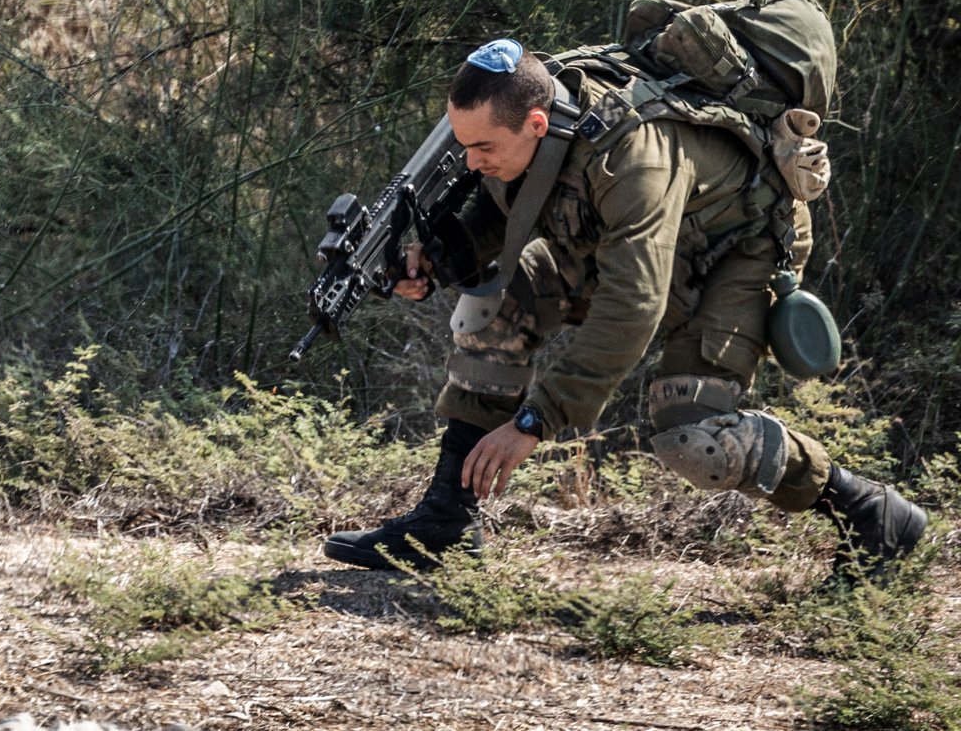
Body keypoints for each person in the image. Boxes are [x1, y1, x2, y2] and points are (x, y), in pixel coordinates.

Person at [323, 38, 929, 582]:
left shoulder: (632, 157)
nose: (473, 160)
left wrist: (536, 421)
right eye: (465, 146)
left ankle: (872, 512)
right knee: (492, 306)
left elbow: (633, 302)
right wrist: (434, 258)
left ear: (535, 123)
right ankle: (446, 523)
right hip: (634, 244)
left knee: (695, 438)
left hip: (734, 254)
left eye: (483, 147)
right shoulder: (534, 134)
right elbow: (504, 210)